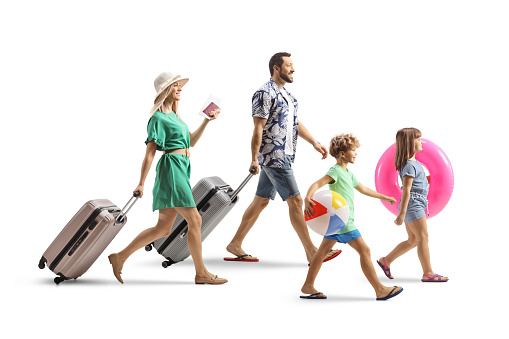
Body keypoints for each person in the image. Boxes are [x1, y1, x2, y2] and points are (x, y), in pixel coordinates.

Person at [108, 71, 227, 285]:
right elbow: (150, 152)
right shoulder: (158, 118)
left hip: (181, 168)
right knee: (195, 219)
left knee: (163, 228)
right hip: (171, 170)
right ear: (165, 90)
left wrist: (206, 121)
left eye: (180, 86)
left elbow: (190, 142)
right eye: (175, 86)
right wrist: (141, 182)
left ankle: (120, 256)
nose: (180, 89)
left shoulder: (175, 116)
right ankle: (201, 273)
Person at [225, 52, 340, 264]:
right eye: (289, 65)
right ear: (276, 68)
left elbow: (294, 124)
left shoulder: (288, 96)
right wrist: (253, 158)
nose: (293, 69)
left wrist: (314, 142)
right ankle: (311, 251)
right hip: (273, 156)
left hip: (284, 154)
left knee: (260, 202)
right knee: (296, 200)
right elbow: (258, 128)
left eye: (292, 65)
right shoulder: (264, 93)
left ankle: (235, 243)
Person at [300, 133, 403, 300]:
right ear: (342, 153)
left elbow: (364, 189)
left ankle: (308, 285)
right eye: (353, 150)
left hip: (334, 221)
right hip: (342, 221)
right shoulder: (336, 171)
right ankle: (380, 290)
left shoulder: (349, 173)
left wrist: (384, 197)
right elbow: (318, 183)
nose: (356, 153)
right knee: (365, 250)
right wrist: (307, 197)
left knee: (321, 252)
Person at [377, 128, 448, 282]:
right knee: (423, 237)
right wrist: (401, 214)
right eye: (418, 139)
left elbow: (417, 184)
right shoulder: (409, 165)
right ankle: (428, 273)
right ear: (409, 143)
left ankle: (386, 260)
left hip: (416, 202)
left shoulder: (414, 163)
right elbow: (407, 190)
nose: (421, 141)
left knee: (413, 240)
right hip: (412, 204)